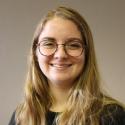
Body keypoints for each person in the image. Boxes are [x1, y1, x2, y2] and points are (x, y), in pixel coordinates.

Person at [9, 6, 125, 125]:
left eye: (73, 45)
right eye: (49, 43)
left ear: (87, 54)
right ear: (35, 53)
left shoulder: (112, 116)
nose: (60, 55)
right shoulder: (21, 116)